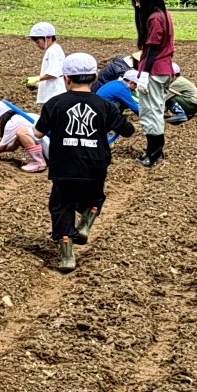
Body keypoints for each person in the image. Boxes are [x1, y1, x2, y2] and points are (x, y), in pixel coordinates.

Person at [35, 53, 137, 272]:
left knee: (62, 206)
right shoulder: (105, 106)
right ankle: (85, 224)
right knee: (95, 197)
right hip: (95, 165)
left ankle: (67, 256)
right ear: (96, 76)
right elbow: (128, 131)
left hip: (64, 166)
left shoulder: (55, 103)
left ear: (67, 79)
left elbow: (37, 132)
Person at [130, 0, 176, 167]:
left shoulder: (155, 18)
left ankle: (154, 153)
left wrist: (144, 74)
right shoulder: (165, 14)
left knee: (151, 112)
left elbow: (153, 49)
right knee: (154, 109)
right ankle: (156, 152)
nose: (138, 5)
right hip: (162, 69)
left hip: (155, 70)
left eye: (139, 0)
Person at [0, 101, 47, 172]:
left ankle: (39, 162)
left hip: (51, 148)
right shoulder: (21, 117)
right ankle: (44, 160)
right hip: (53, 148)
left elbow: (2, 147)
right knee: (18, 138)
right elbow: (12, 147)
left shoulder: (12, 122)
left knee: (21, 132)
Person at [25, 22, 65, 105]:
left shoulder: (54, 51)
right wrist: (38, 84)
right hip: (50, 95)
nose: (37, 45)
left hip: (54, 95)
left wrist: (37, 79)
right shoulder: (52, 50)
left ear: (48, 38)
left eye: (38, 42)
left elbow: (54, 73)